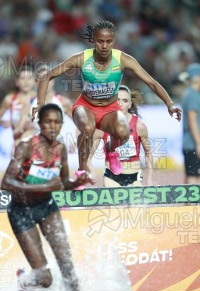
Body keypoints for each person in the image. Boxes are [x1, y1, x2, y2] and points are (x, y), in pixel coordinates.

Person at [32, 20, 182, 185]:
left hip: (110, 109)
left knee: (124, 133)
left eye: (109, 41)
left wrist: (170, 103)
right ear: (94, 40)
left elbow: (151, 82)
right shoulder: (82, 58)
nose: (104, 46)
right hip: (85, 106)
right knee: (88, 129)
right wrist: (40, 104)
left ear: (114, 41)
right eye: (100, 41)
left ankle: (110, 151)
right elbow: (47, 76)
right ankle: (82, 171)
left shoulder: (123, 59)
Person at [1, 104, 91, 291]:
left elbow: (62, 183)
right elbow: (6, 182)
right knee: (45, 278)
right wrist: (42, 187)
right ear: (40, 123)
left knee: (66, 263)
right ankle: (25, 280)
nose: (53, 126)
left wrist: (77, 182)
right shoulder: (26, 146)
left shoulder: (60, 149)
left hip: (47, 207)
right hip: (21, 212)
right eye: (48, 122)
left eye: (57, 122)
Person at [89, 85, 153, 187]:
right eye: (117, 100)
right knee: (114, 203)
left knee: (138, 203)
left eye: (125, 101)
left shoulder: (140, 126)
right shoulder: (102, 126)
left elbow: (148, 153)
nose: (121, 104)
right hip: (111, 176)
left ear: (130, 104)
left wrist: (150, 178)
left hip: (134, 175)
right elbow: (88, 155)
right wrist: (91, 170)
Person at [31, 64, 77, 152]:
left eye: (48, 78)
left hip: (60, 144)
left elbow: (79, 123)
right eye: (41, 79)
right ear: (36, 82)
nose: (45, 82)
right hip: (37, 145)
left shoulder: (63, 102)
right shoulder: (29, 103)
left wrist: (74, 139)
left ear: (53, 81)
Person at [180, 63, 200, 184]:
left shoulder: (190, 94)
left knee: (192, 174)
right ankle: (191, 203)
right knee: (193, 176)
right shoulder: (192, 95)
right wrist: (198, 143)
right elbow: (192, 121)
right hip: (192, 144)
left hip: (191, 143)